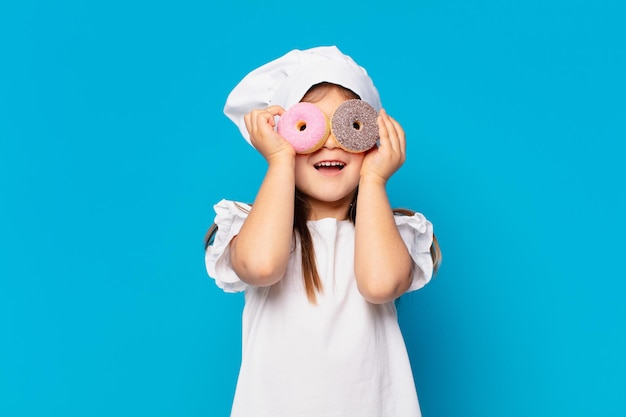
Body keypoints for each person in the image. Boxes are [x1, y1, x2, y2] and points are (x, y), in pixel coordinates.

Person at [204, 46, 441, 417]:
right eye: (307, 126)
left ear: (373, 139)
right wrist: (280, 158)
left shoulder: (392, 233)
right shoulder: (252, 227)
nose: (330, 142)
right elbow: (263, 265)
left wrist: (375, 179)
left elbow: (379, 285)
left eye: (350, 127)